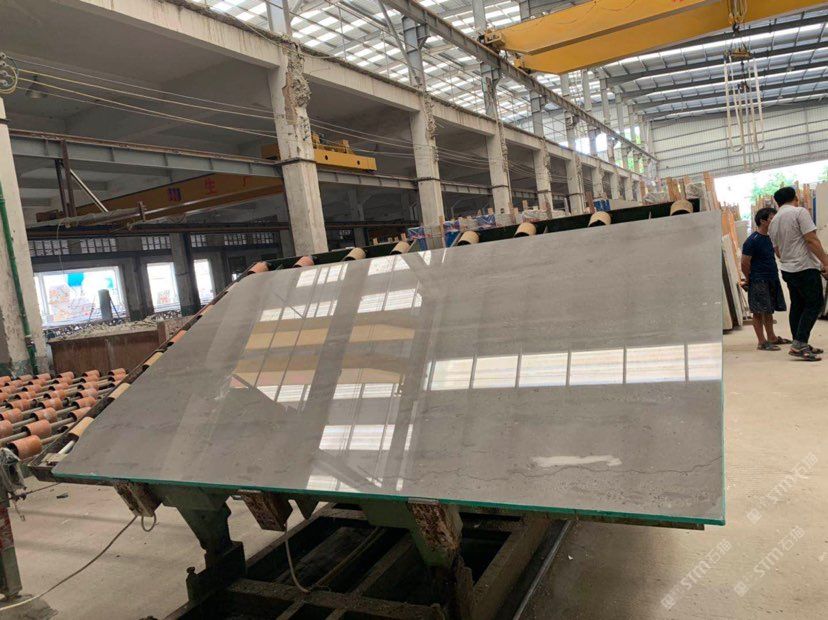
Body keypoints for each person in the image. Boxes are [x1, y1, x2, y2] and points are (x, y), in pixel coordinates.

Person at [768, 186, 828, 361]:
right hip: (804, 267)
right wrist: (825, 262)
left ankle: (799, 341)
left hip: (788, 269)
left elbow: (777, 251)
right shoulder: (799, 212)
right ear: (795, 198)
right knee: (814, 303)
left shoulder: (774, 221)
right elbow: (811, 240)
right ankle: (799, 344)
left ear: (777, 203)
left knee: (798, 305)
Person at [741, 207, 789, 351]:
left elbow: (778, 254)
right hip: (758, 279)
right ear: (763, 221)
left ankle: (772, 337)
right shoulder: (752, 240)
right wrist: (749, 279)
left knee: (769, 310)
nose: (775, 221)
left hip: (771, 277)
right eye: (772, 219)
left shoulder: (771, 237)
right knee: (758, 312)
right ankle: (761, 342)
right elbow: (744, 263)